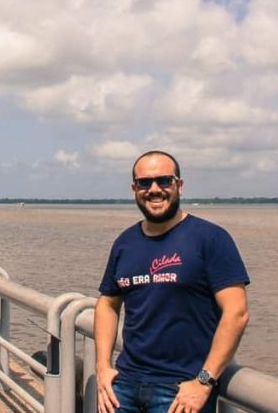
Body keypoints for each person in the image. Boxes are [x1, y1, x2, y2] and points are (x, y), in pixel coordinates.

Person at [94, 151, 250, 413]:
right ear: (134, 188)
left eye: (164, 181)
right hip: (124, 386)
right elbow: (107, 304)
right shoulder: (124, 243)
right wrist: (102, 367)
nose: (154, 189)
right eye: (144, 183)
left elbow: (237, 313)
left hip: (180, 392)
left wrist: (204, 381)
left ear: (179, 185)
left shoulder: (211, 238)